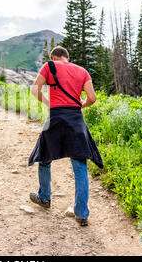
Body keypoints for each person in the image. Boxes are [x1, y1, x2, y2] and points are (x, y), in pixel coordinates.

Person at [28, 46, 103, 226]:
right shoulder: (82, 71)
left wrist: (48, 102)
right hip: (76, 119)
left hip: (55, 117)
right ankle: (82, 213)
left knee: (44, 157)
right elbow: (92, 98)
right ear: (67, 58)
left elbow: (34, 89)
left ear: (54, 57)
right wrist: (80, 106)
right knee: (79, 165)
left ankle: (44, 197)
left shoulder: (49, 66)